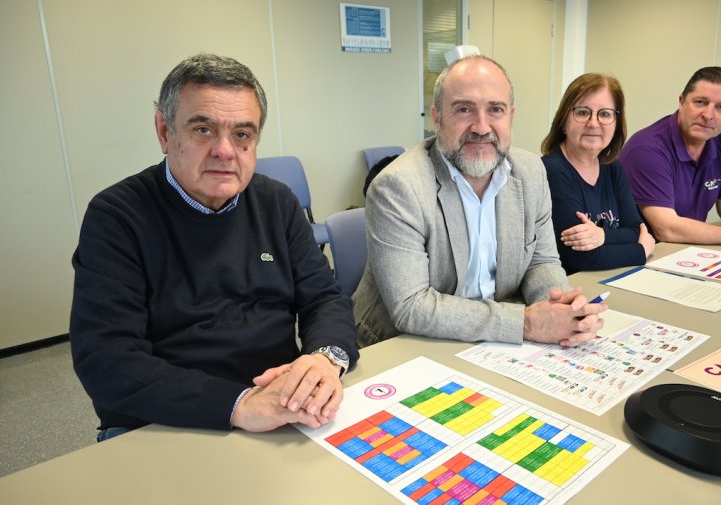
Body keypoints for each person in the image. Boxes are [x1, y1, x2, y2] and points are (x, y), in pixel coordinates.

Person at [70, 54, 359, 441]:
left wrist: (324, 359)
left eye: (242, 134)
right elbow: (107, 359)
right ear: (163, 131)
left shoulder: (277, 203)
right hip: (165, 421)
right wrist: (239, 404)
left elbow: (324, 298)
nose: (225, 151)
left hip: (281, 409)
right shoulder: (117, 217)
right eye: (203, 129)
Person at [353, 55, 607, 348]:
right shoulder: (399, 187)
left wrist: (564, 311)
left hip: (493, 340)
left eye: (496, 110)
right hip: (406, 344)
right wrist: (526, 323)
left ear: (511, 116)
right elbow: (411, 306)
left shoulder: (531, 172)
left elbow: (541, 262)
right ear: (437, 118)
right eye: (464, 109)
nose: (482, 127)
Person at [618, 66, 721, 245]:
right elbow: (666, 229)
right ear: (681, 102)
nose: (708, 115)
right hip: (641, 257)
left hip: (686, 251)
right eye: (701, 102)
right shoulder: (647, 149)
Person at [540, 73, 655, 274]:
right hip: (571, 289)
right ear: (564, 122)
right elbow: (580, 259)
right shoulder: (552, 170)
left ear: (616, 123)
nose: (593, 123)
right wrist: (641, 251)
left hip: (612, 277)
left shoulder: (613, 168)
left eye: (605, 114)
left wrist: (602, 236)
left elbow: (638, 230)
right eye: (583, 112)